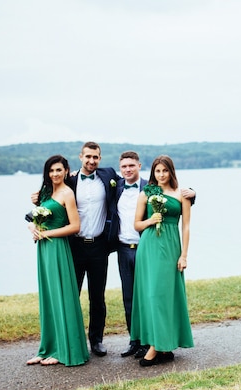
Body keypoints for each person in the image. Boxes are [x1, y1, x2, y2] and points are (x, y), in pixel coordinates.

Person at [31, 141, 119, 357]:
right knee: (71, 294)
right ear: (81, 157)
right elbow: (52, 206)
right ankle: (70, 340)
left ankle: (96, 341)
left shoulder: (109, 176)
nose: (91, 161)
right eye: (87, 156)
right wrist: (36, 203)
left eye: (95, 157)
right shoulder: (68, 181)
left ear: (100, 158)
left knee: (97, 297)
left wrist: (190, 194)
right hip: (74, 247)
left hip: (99, 246)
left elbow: (134, 186)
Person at [113, 151, 196, 359]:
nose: (161, 174)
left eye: (165, 170)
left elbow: (186, 227)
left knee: (165, 296)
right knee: (149, 296)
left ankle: (163, 344)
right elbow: (137, 224)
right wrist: (151, 221)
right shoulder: (146, 193)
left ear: (171, 172)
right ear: (153, 172)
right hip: (148, 247)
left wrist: (184, 255)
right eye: (157, 171)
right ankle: (155, 345)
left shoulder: (182, 195)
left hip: (170, 248)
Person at [26, 155, 89, 367]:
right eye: (51, 170)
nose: (55, 174)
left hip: (57, 248)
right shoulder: (44, 193)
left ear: (65, 171)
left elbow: (75, 226)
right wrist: (33, 227)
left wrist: (49, 233)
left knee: (61, 297)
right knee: (48, 298)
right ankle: (47, 348)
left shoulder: (67, 193)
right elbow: (34, 218)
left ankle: (64, 349)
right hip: (43, 250)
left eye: (59, 170)